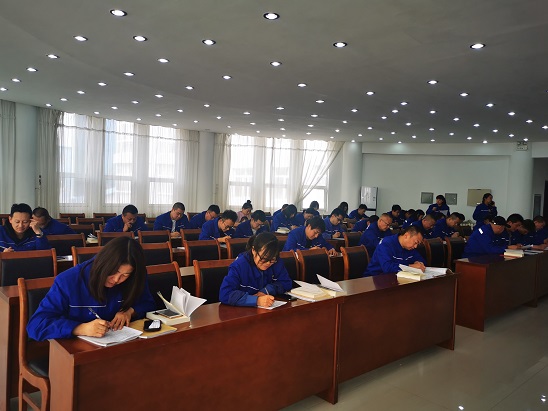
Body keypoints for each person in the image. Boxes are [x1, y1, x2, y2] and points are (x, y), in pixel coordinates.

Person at [27, 236, 155, 341]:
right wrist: (80, 328)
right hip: (76, 351)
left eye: (125, 275)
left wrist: (129, 311)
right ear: (103, 264)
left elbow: (148, 303)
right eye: (113, 272)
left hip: (122, 345)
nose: (116, 280)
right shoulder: (68, 281)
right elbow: (36, 325)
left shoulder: (135, 277)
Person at [219, 232, 292, 307]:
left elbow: (286, 282)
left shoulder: (276, 262)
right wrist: (256, 300)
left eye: (272, 259)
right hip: (242, 310)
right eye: (264, 259)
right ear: (253, 250)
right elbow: (225, 294)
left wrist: (267, 290)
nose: (268, 263)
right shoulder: (239, 265)